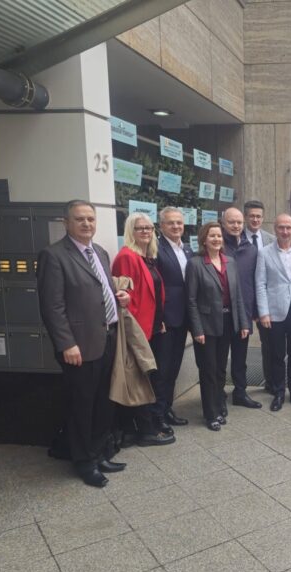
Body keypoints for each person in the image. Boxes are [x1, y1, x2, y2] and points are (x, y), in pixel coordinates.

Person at [37, 200, 130, 487]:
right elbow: (52, 307)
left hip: (109, 337)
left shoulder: (99, 252)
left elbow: (100, 291)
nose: (87, 224)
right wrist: (66, 343)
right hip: (79, 346)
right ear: (66, 223)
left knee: (104, 401)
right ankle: (84, 462)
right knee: (82, 406)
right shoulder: (54, 256)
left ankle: (99, 453)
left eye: (90, 219)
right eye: (79, 219)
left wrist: (120, 298)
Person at [111, 213, 175, 447]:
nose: (146, 232)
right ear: (131, 231)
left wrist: (159, 320)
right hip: (138, 332)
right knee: (142, 381)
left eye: (149, 228)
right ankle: (144, 431)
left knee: (152, 378)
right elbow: (126, 299)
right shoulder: (127, 257)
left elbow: (152, 293)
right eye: (140, 228)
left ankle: (148, 425)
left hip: (153, 328)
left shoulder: (147, 257)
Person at [187, 222, 250, 431]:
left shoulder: (230, 261)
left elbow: (237, 296)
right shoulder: (196, 264)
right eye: (212, 236)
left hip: (227, 322)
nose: (216, 239)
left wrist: (243, 322)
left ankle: (219, 403)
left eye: (219, 236)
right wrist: (197, 329)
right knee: (208, 370)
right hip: (206, 325)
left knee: (221, 369)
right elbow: (191, 300)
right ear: (204, 240)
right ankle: (210, 413)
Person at [256, 214, 291, 411]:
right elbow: (260, 284)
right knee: (277, 355)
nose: (285, 231)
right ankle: (279, 392)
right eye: (281, 227)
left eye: (288, 227)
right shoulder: (264, 253)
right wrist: (264, 313)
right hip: (275, 312)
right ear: (275, 229)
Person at [153, 206, 192, 429]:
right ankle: (157, 417)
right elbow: (155, 287)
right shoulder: (156, 249)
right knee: (162, 370)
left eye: (179, 222)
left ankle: (167, 409)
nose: (176, 226)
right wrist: (158, 317)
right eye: (171, 223)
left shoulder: (186, 249)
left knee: (174, 368)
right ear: (161, 226)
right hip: (166, 320)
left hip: (183, 318)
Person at [222, 207, 262, 410]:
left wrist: (255, 311)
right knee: (219, 358)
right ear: (223, 223)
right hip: (222, 313)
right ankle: (218, 393)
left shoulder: (251, 249)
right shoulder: (217, 245)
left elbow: (255, 282)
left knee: (240, 357)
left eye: (239, 222)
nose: (236, 226)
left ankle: (240, 392)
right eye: (231, 222)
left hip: (244, 313)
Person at [244, 200, 275, 393]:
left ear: (263, 218)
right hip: (245, 300)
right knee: (240, 345)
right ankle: (240, 387)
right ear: (245, 217)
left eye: (258, 216)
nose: (255, 220)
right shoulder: (237, 238)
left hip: (266, 301)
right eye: (252, 216)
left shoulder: (271, 239)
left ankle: (271, 382)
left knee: (268, 343)